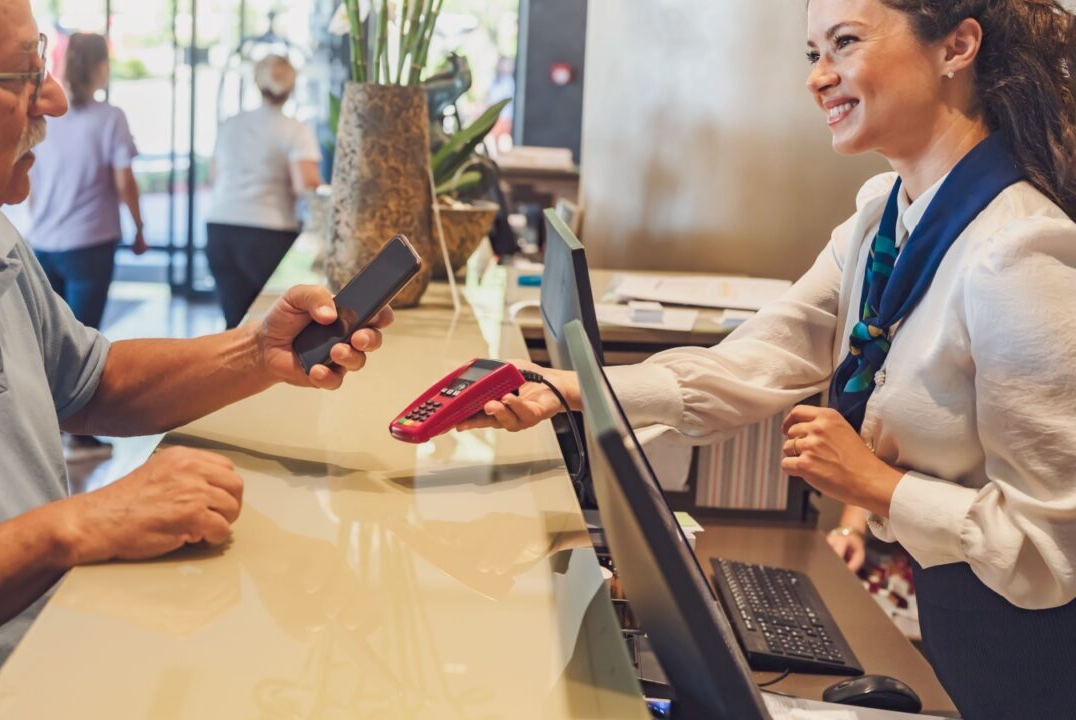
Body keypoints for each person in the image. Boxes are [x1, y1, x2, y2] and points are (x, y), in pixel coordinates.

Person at [456, 1, 1076, 716]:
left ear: (956, 47)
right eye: (812, 52)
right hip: (960, 623)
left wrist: (876, 486)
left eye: (844, 44)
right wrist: (571, 388)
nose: (818, 78)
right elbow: (765, 354)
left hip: (1033, 658)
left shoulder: (1020, 253)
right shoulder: (886, 215)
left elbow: (1050, 550)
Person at [0, 1, 392, 718]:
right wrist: (78, 525)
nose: (51, 97)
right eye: (20, 73)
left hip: (67, 656)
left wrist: (256, 351)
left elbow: (88, 382)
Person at [27, 32, 146, 459]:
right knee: (82, 340)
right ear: (99, 67)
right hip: (89, 242)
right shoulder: (110, 117)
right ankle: (77, 432)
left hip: (42, 242)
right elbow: (123, 181)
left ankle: (45, 429)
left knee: (43, 341)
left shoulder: (42, 113)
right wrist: (138, 226)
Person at [205, 55, 323, 329]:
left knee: (235, 323)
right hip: (268, 232)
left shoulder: (230, 124)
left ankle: (230, 373)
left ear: (258, 85)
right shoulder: (295, 130)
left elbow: (214, 176)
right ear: (291, 88)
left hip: (220, 229)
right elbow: (304, 185)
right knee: (274, 327)